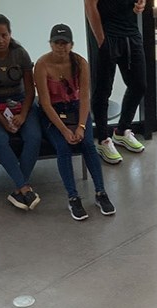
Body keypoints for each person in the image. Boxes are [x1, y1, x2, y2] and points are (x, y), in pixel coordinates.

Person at [35, 24, 116, 221]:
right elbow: (44, 102)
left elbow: (85, 98)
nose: (61, 47)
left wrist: (80, 126)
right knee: (63, 147)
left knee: (88, 143)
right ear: (50, 43)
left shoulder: (80, 63)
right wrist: (64, 130)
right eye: (57, 43)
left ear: (71, 44)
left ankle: (100, 192)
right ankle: (72, 196)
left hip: (75, 109)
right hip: (54, 113)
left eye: (65, 43)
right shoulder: (42, 65)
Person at [84, 0, 148, 163]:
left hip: (131, 32)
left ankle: (121, 131)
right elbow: (90, 3)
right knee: (103, 89)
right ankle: (103, 139)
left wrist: (141, 0)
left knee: (139, 84)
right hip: (108, 33)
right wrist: (101, 39)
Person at [0, 14, 43, 211]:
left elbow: (30, 90)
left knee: (34, 137)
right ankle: (24, 187)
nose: (1, 40)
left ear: (10, 34)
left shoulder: (20, 54)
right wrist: (3, 122)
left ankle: (19, 189)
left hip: (21, 103)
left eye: (4, 35)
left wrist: (22, 115)